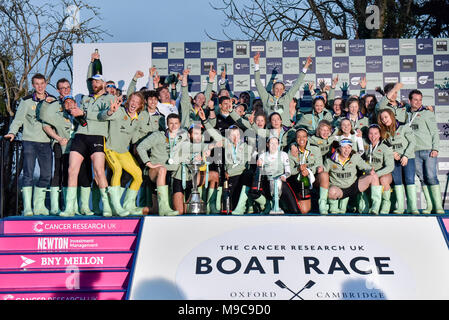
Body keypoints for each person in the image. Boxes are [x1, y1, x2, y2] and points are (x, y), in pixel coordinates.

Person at [60, 73, 114, 217]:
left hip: (97, 136)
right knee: (72, 170)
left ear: (103, 83)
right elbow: (81, 119)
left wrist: (84, 112)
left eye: (97, 82)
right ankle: (69, 208)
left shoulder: (109, 98)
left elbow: (103, 116)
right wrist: (76, 114)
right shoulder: (85, 98)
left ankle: (107, 206)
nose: (94, 84)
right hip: (80, 136)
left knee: (99, 171)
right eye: (92, 82)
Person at [39, 80, 94, 216]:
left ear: (76, 103)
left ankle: (84, 207)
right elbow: (44, 121)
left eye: (67, 88)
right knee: (62, 173)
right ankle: (67, 206)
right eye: (66, 102)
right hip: (64, 148)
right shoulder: (57, 112)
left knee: (85, 175)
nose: (69, 103)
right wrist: (58, 138)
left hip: (81, 148)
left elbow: (89, 125)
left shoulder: (80, 113)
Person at [4, 73, 56, 216]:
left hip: (46, 143)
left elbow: (58, 121)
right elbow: (18, 119)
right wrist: (12, 132)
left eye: (42, 83)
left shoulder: (53, 100)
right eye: (37, 84)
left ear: (46, 83)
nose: (40, 86)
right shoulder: (26, 101)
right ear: (33, 85)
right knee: (28, 174)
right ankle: (27, 207)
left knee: (46, 175)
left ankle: (39, 206)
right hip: (30, 142)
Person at [99, 92, 146, 216]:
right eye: (132, 101)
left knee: (138, 175)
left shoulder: (137, 119)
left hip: (123, 152)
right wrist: (110, 112)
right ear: (128, 101)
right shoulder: (119, 111)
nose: (134, 104)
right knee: (117, 170)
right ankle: (116, 207)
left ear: (140, 105)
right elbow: (102, 117)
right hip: (110, 148)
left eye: (137, 102)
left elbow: (135, 138)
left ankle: (128, 205)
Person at [136, 113, 186, 216]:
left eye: (176, 123)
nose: (174, 126)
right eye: (171, 123)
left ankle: (136, 210)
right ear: (167, 124)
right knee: (162, 169)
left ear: (180, 124)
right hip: (156, 172)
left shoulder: (182, 137)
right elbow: (140, 147)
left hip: (173, 174)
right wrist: (148, 163)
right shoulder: (157, 135)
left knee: (172, 211)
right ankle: (164, 207)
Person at [407, 89, 444, 214]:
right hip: (413, 152)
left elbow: (434, 132)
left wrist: (435, 148)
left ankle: (438, 206)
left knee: (431, 177)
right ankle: (429, 206)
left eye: (420, 100)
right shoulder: (406, 114)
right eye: (415, 99)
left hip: (428, 150)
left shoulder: (427, 113)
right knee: (422, 178)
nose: (418, 102)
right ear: (410, 101)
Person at [253, 52, 312, 127]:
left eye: (281, 89)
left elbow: (297, 84)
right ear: (273, 89)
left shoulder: (286, 98)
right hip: (270, 130)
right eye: (276, 88)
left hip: (285, 130)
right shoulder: (266, 98)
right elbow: (258, 83)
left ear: (284, 90)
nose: (278, 91)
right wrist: (256, 64)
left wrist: (306, 66)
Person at [324, 139, 381, 214]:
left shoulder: (355, 157)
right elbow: (323, 174)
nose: (347, 150)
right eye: (344, 147)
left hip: (353, 186)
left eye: (349, 148)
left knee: (373, 176)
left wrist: (370, 170)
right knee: (331, 191)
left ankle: (375, 208)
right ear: (339, 148)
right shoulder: (330, 160)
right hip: (339, 188)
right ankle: (333, 208)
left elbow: (365, 166)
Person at [378, 109, 417, 214]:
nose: (384, 120)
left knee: (409, 180)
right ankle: (400, 207)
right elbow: (385, 146)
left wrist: (406, 156)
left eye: (386, 117)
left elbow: (412, 142)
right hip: (394, 160)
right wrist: (393, 153)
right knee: (397, 181)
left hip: (408, 158)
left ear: (391, 116)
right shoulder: (384, 132)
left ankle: (412, 207)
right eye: (382, 119)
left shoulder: (404, 127)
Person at [258, 136, 301, 214]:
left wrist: (284, 176)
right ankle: (269, 204)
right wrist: (260, 166)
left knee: (295, 210)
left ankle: (280, 204)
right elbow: (260, 173)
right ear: (267, 144)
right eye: (271, 143)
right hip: (268, 182)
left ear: (278, 145)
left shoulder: (283, 155)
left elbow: (288, 171)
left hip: (281, 181)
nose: (274, 146)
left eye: (276, 143)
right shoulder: (263, 156)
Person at [361, 124, 394, 214]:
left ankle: (386, 204)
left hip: (383, 173)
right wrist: (367, 171)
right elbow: (360, 161)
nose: (373, 136)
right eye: (371, 134)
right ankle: (366, 205)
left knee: (383, 180)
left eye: (375, 134)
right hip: (369, 172)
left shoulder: (385, 146)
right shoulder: (365, 144)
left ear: (380, 134)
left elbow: (390, 166)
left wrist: (377, 174)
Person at [288, 128, 322, 214]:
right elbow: (290, 170)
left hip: (313, 178)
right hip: (299, 181)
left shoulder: (315, 149)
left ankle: (322, 204)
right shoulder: (292, 150)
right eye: (298, 137)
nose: (301, 139)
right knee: (304, 210)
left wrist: (309, 171)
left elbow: (319, 165)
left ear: (307, 138)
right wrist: (298, 169)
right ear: (295, 139)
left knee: (324, 175)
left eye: (303, 136)